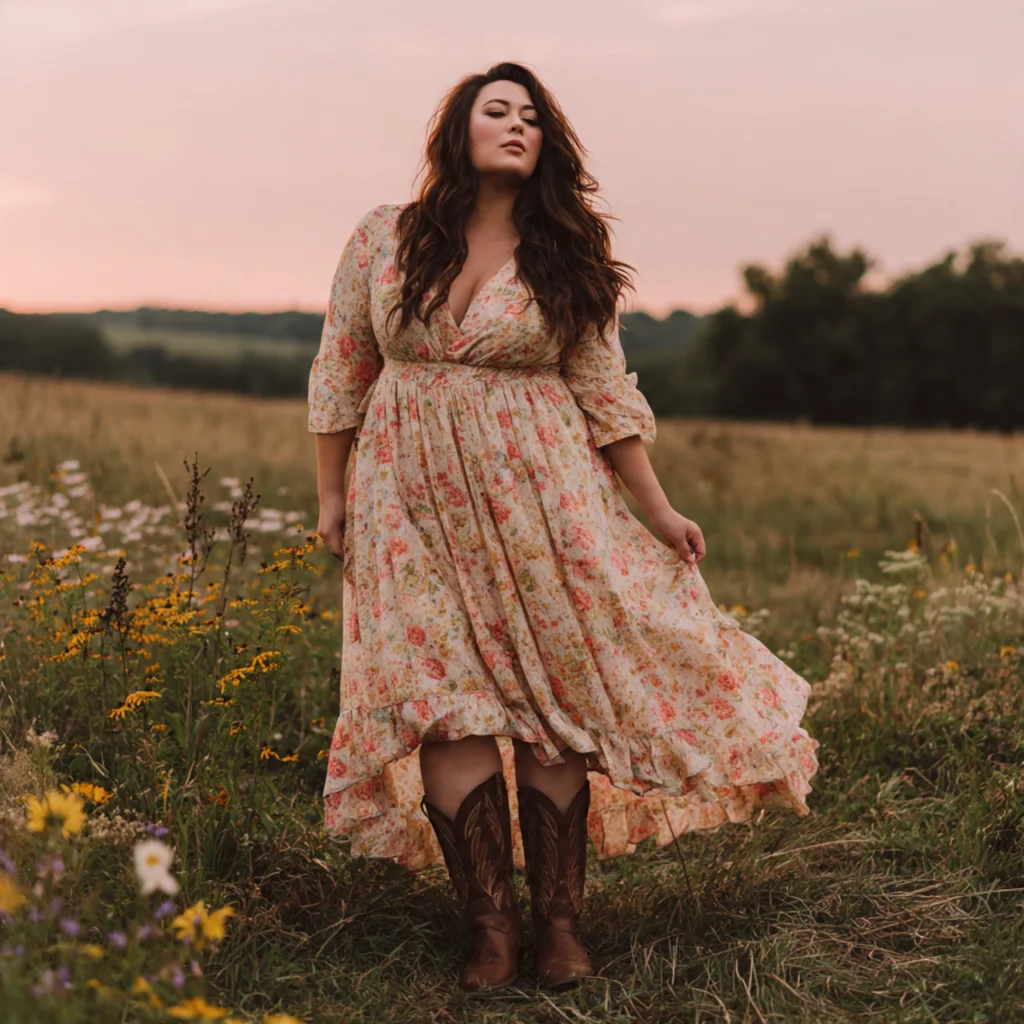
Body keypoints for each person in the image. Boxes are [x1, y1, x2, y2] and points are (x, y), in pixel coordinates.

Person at [308, 61, 820, 994]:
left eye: (531, 116)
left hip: (541, 498)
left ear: (547, 144)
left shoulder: (565, 250)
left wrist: (657, 509)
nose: (514, 125)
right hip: (408, 497)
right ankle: (489, 932)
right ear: (455, 131)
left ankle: (558, 926)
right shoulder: (384, 236)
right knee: (439, 699)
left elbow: (601, 389)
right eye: (494, 110)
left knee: (552, 708)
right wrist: (332, 495)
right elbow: (342, 365)